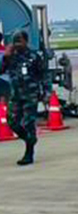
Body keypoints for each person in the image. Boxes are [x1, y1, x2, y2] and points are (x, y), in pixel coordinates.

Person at [3, 31, 48, 166]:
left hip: (30, 94)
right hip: (15, 94)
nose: (17, 44)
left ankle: (29, 153)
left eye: (19, 41)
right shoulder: (11, 57)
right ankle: (29, 139)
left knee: (28, 123)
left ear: (26, 41)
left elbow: (44, 75)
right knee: (12, 121)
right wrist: (5, 56)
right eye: (15, 41)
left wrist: (46, 93)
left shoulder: (34, 57)